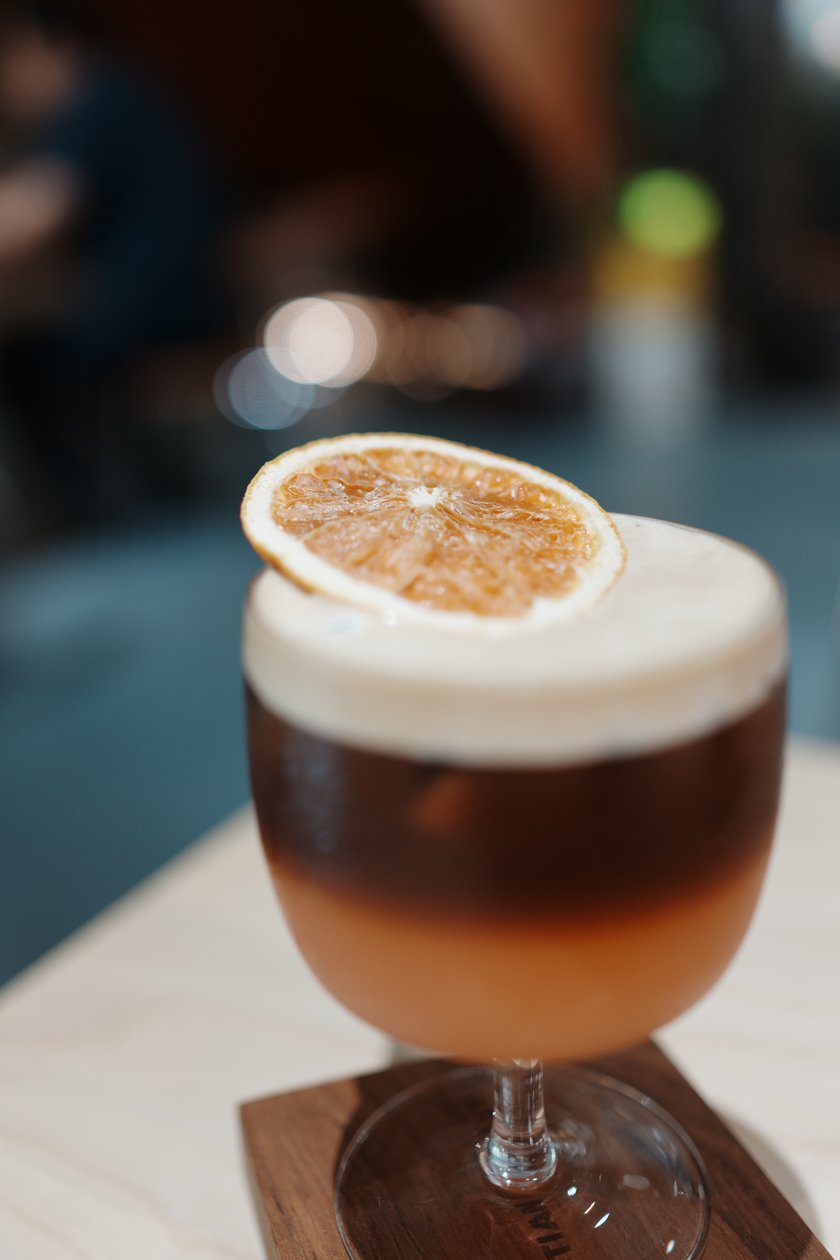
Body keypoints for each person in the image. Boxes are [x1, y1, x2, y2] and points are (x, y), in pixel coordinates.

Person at [0, 2, 223, 524]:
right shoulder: (127, 89)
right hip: (183, 292)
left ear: (45, 46)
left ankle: (106, 526)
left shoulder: (98, 98)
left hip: (155, 306)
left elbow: (37, 211)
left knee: (30, 363)